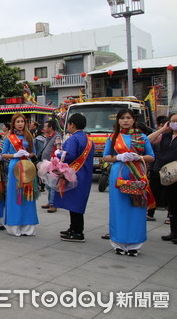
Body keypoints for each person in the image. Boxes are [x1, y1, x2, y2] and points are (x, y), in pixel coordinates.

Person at [103, 108, 155, 257]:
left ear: (133, 120)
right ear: (118, 120)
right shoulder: (113, 137)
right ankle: (118, 242)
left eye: (128, 118)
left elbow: (151, 156)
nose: (125, 120)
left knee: (136, 209)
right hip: (118, 175)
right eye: (122, 118)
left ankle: (134, 244)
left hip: (137, 174)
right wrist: (119, 157)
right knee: (118, 209)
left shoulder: (142, 137)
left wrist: (139, 158)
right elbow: (106, 157)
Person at [54, 113, 94, 242]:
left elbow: (69, 156)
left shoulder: (73, 139)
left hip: (74, 175)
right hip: (85, 175)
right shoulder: (88, 140)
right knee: (78, 203)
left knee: (74, 204)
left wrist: (58, 153)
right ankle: (73, 228)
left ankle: (77, 232)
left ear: (72, 125)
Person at [1, 113, 39, 236]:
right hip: (15, 167)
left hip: (27, 167)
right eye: (18, 122)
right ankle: (14, 226)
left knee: (28, 196)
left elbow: (34, 153)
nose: (20, 124)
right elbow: (3, 154)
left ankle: (28, 227)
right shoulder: (8, 137)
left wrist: (29, 155)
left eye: (22, 121)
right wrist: (14, 155)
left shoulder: (29, 136)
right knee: (15, 195)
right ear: (13, 124)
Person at [147, 112, 177, 244]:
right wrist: (163, 129)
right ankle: (173, 232)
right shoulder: (165, 136)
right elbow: (147, 140)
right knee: (171, 203)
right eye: (173, 121)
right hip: (166, 174)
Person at [147, 115, 169, 220]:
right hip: (157, 168)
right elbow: (148, 140)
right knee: (153, 192)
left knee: (170, 194)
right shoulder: (160, 137)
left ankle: (170, 216)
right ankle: (150, 213)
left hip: (172, 170)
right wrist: (162, 130)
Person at [39, 120, 62, 213]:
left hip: (53, 164)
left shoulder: (57, 137)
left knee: (53, 185)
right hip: (47, 164)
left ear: (50, 128)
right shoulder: (49, 137)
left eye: (45, 127)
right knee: (48, 184)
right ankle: (50, 202)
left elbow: (59, 149)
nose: (44, 128)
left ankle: (53, 204)